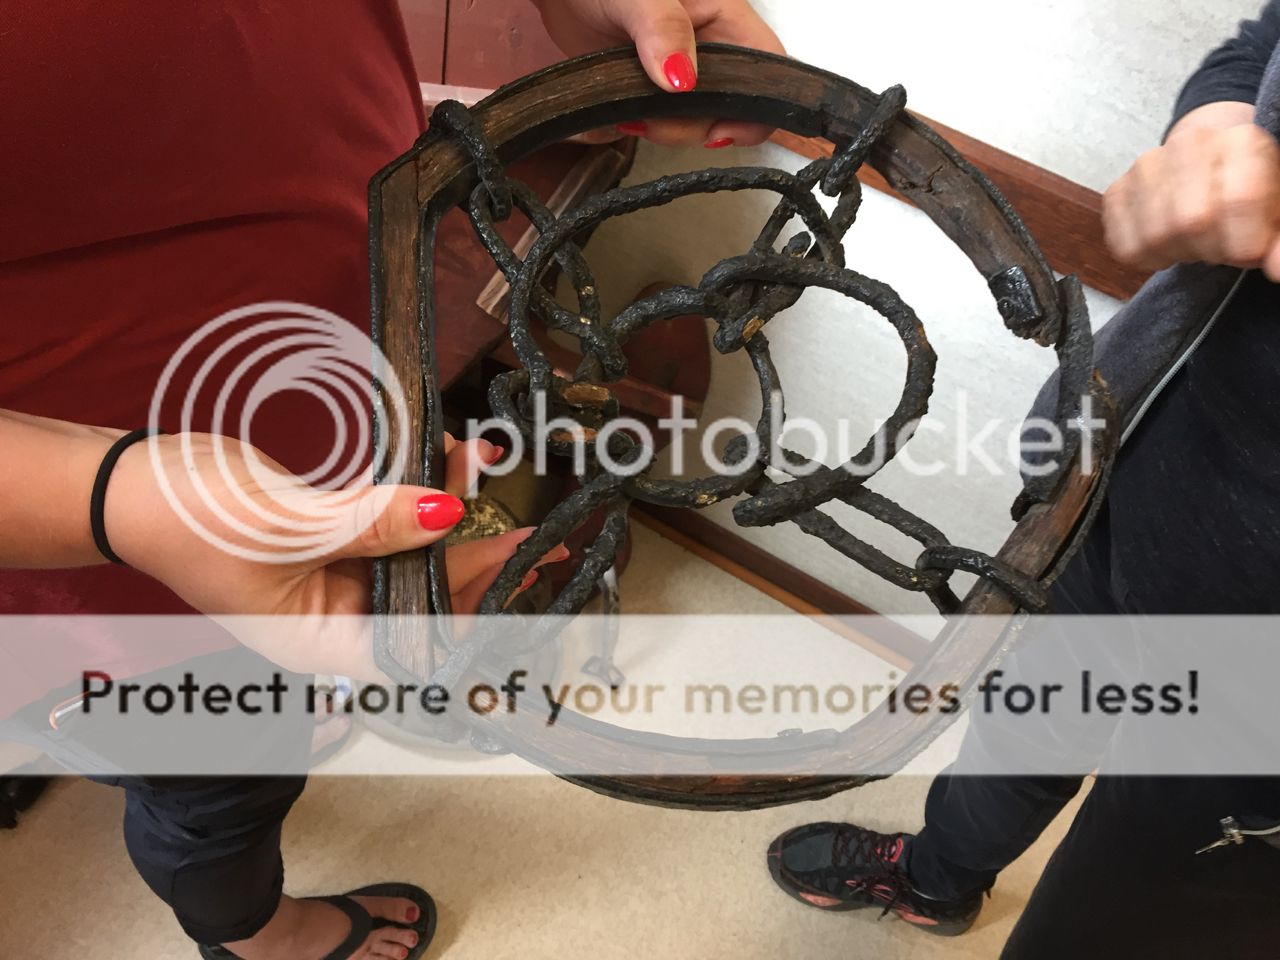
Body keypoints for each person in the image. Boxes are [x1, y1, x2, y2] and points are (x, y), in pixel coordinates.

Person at [0, 2, 782, 959]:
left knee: (273, 698)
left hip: (325, 385)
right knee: (213, 777)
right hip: (91, 548)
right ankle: (253, 936)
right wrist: (118, 499)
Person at [767, 4, 1280, 958]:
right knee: (1028, 720)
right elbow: (1263, 45)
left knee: (1109, 914)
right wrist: (1214, 129)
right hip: (1123, 482)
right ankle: (936, 882)